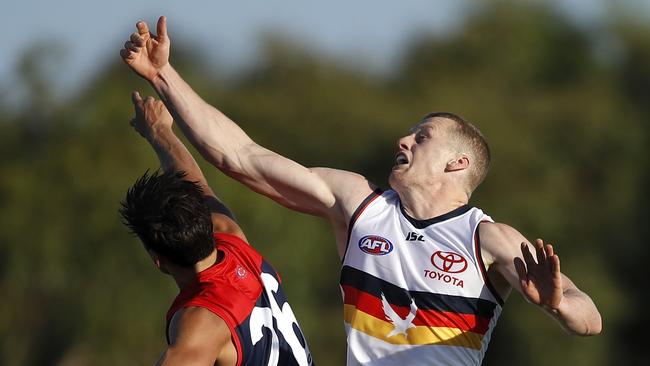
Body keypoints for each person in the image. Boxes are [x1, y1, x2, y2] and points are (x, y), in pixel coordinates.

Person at [120, 17, 602, 365]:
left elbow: (590, 317)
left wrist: (559, 304)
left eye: (422, 136)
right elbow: (242, 157)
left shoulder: (487, 239)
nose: (404, 139)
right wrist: (164, 75)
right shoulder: (359, 204)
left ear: (458, 163)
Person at [119, 92, 314, 366]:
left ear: (157, 259)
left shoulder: (202, 321)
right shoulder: (232, 242)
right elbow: (195, 184)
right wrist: (159, 131)